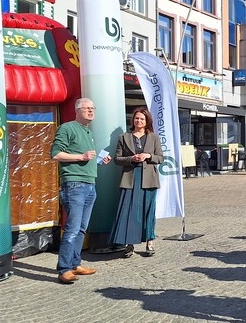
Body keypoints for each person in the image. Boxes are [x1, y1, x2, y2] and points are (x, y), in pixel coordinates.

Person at [51, 97, 111, 284]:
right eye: (87, 108)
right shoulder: (67, 128)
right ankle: (64, 269)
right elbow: (55, 154)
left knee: (81, 229)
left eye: (93, 108)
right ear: (77, 110)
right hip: (74, 185)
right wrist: (81, 156)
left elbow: (85, 160)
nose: (91, 111)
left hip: (89, 184)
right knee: (73, 229)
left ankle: (75, 264)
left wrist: (98, 161)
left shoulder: (88, 132)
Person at [110, 107, 164, 257]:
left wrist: (148, 156)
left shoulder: (153, 137)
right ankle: (129, 244)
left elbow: (160, 158)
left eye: (142, 119)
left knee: (148, 211)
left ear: (147, 121)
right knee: (130, 211)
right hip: (130, 177)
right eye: (136, 118)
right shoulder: (124, 137)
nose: (138, 121)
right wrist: (131, 159)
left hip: (149, 179)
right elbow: (117, 159)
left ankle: (150, 241)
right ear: (133, 120)